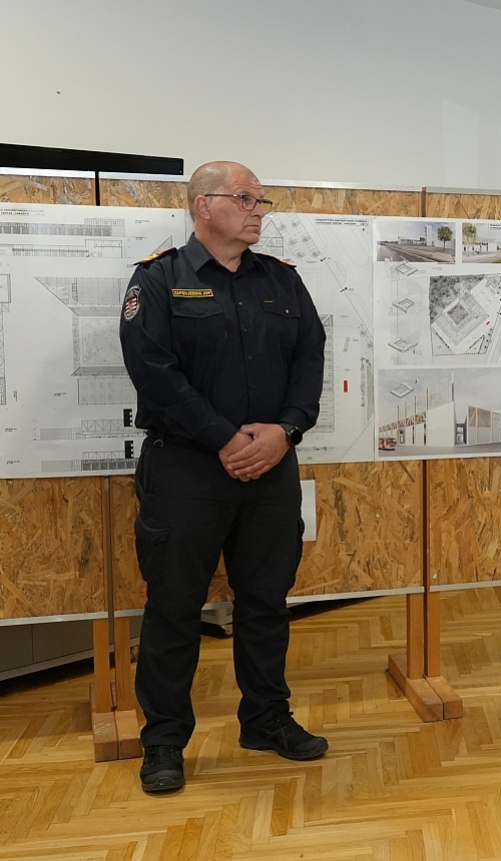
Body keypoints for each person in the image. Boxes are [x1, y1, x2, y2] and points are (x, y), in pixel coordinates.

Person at [120, 160, 329, 794]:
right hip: (186, 469)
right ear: (203, 205)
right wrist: (225, 438)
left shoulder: (283, 281)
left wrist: (285, 430)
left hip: (270, 466)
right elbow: (153, 372)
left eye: (262, 201)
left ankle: (266, 720)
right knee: (174, 607)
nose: (259, 210)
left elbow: (310, 358)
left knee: (265, 601)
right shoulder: (159, 279)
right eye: (245, 199)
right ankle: (163, 741)